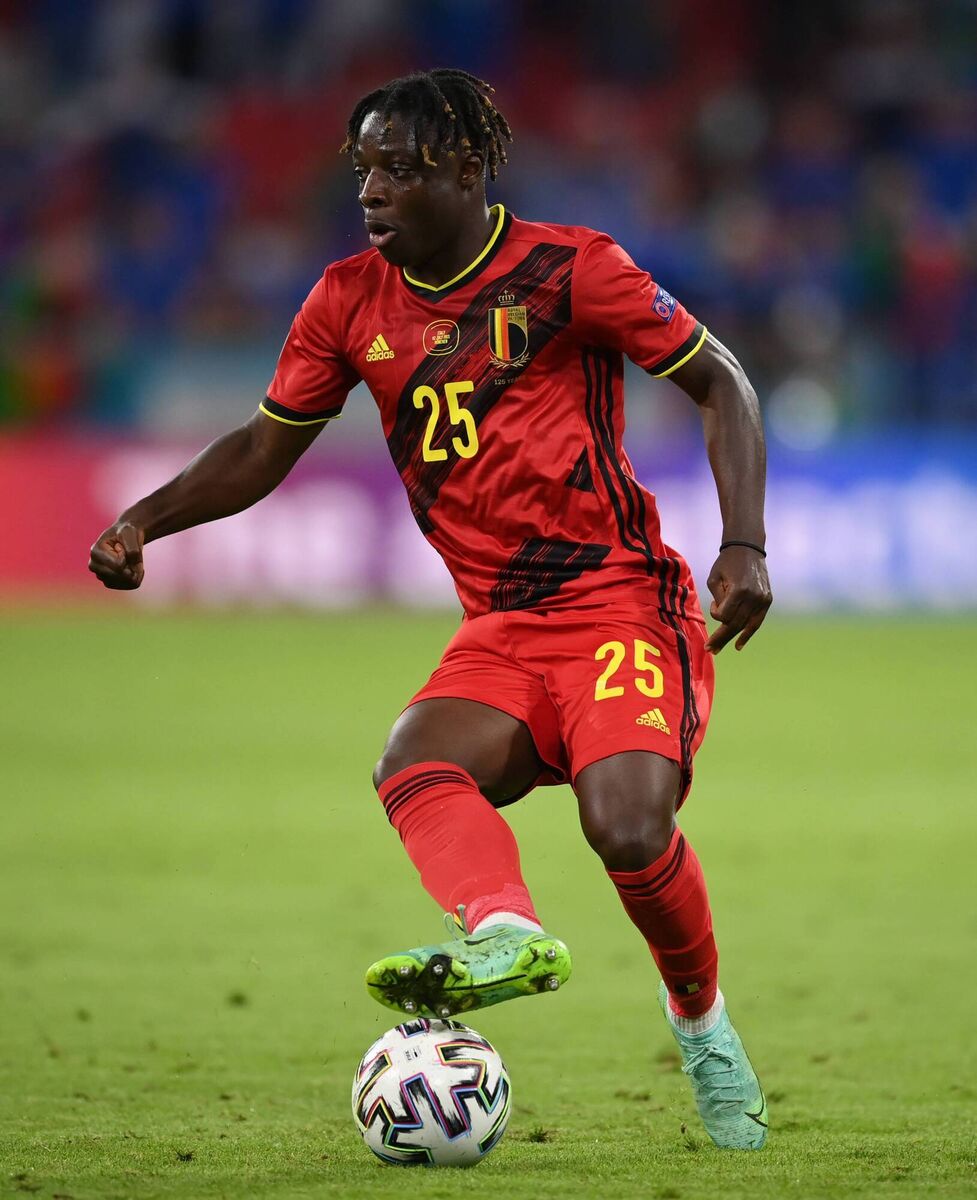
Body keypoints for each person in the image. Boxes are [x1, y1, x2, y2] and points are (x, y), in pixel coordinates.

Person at [89, 69, 772, 1151]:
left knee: (628, 829)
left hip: (617, 605)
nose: (371, 192)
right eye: (362, 169)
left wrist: (741, 543)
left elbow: (722, 381)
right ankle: (504, 933)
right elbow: (266, 449)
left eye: (397, 170)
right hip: (498, 623)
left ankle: (701, 1028)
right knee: (411, 760)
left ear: (463, 168)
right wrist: (145, 519)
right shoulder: (344, 302)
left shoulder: (569, 269)